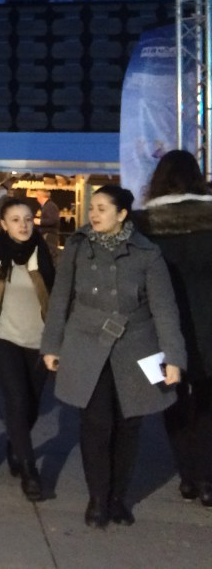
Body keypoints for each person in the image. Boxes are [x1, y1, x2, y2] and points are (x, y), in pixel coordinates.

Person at [41, 185, 184, 529]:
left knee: (128, 425)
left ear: (122, 214)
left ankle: (118, 497)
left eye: (103, 208)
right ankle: (97, 499)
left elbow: (165, 310)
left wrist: (174, 358)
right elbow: (60, 298)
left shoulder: (147, 253)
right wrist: (51, 345)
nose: (94, 214)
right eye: (93, 207)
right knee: (96, 423)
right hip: (86, 341)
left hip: (135, 345)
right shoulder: (77, 245)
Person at [134, 150, 212, 507]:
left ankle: (187, 475)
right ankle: (208, 477)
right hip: (209, 325)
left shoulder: (145, 224)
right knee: (208, 402)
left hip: (163, 328)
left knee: (175, 401)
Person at [0, 197, 55, 501]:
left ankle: (15, 443)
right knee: (16, 399)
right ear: (3, 224)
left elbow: (59, 296)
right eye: (15, 220)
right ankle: (30, 471)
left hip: (40, 340)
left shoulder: (47, 252)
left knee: (31, 405)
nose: (23, 225)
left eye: (28, 219)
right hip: (2, 337)